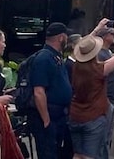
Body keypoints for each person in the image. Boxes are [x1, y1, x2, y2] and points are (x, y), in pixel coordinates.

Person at [68, 20, 114, 159]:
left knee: (77, 154)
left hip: (75, 115)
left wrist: (96, 29)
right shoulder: (99, 69)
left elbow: (83, 46)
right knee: (90, 155)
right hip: (93, 116)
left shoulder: (76, 66)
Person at [29, 22, 74, 159]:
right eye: (66, 36)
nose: (67, 39)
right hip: (48, 118)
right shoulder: (44, 58)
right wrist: (46, 119)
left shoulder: (56, 56)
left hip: (60, 116)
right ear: (61, 37)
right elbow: (39, 92)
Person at [94, 22, 114, 159]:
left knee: (108, 135)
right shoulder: (100, 53)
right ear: (105, 37)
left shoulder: (108, 52)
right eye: (112, 33)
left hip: (112, 97)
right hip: (105, 99)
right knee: (103, 136)